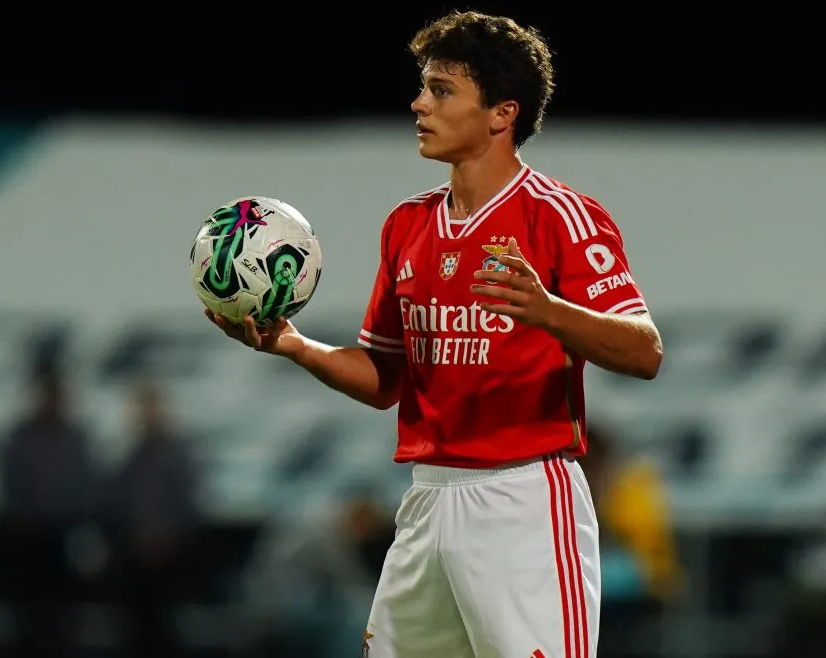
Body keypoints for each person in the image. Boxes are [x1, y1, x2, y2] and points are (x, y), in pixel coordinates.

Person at [207, 9, 662, 657]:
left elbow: (644, 350)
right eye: (424, 86)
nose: (419, 102)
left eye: (442, 89)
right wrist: (295, 346)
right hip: (426, 501)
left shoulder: (561, 216)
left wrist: (549, 310)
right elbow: (384, 380)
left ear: (502, 114)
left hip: (522, 499)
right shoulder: (407, 225)